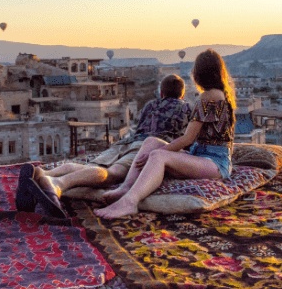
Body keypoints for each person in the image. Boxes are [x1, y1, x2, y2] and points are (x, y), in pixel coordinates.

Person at [15, 74, 192, 218]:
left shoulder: (151, 105)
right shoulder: (185, 109)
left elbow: (139, 128)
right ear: (182, 95)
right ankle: (56, 183)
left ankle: (42, 173)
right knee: (111, 174)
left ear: (161, 93)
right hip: (146, 146)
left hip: (126, 142)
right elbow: (187, 138)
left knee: (92, 166)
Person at [94, 49, 236, 219]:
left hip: (214, 163)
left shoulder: (207, 98)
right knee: (151, 142)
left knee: (158, 156)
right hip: (203, 156)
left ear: (198, 74)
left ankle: (130, 201)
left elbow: (187, 139)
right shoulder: (221, 96)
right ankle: (126, 187)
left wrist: (160, 153)